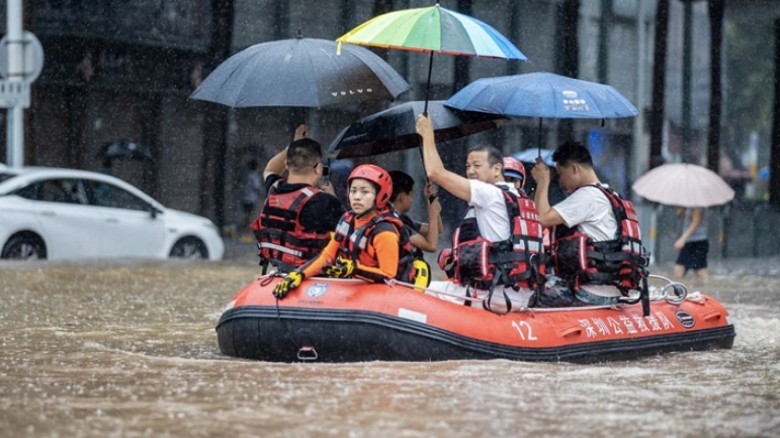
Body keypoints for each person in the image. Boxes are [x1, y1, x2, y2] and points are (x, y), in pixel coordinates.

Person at [416, 114, 545, 314]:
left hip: (496, 295)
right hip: (522, 293)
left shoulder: (490, 193)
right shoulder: (519, 198)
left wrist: (427, 135)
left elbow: (435, 173)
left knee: (420, 289)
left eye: (477, 166)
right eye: (468, 166)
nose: (471, 172)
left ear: (497, 169)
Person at [273, 164, 418, 299]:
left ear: (380, 196)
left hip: (388, 293)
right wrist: (299, 274)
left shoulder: (384, 231)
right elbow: (327, 256)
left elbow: (388, 274)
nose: (357, 197)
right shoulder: (347, 220)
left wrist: (354, 270)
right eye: (353, 191)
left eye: (365, 192)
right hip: (358, 287)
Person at [530, 140, 647, 307]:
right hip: (613, 289)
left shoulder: (588, 196)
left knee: (532, 292)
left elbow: (540, 219)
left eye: (561, 174)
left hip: (589, 292)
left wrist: (542, 181)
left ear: (574, 169)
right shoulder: (610, 194)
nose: (560, 182)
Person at [251, 124, 344, 274]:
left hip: (278, 269)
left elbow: (270, 169)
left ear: (286, 164)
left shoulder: (274, 189)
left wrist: (293, 145)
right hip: (310, 275)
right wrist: (332, 196)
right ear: (318, 169)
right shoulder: (324, 201)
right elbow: (349, 230)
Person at [389, 170, 442, 254]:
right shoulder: (394, 223)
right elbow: (431, 245)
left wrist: (431, 200)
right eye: (411, 195)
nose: (412, 200)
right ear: (402, 197)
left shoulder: (403, 219)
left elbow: (436, 229)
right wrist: (433, 212)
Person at [672, 207, 709, 281]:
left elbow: (695, 222)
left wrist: (683, 239)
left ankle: (707, 289)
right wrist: (682, 210)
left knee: (698, 271)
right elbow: (685, 218)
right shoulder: (689, 205)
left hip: (697, 242)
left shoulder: (697, 205)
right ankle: (705, 289)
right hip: (691, 241)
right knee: (699, 271)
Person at [238, 158, 262, 232]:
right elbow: (256, 187)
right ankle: (244, 227)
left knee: (246, 213)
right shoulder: (254, 175)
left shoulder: (246, 174)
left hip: (244, 196)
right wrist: (261, 194)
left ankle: (244, 227)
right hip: (251, 197)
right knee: (249, 214)